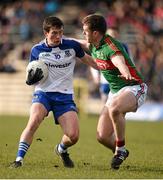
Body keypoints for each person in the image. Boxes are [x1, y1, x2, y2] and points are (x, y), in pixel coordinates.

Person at [10, 16, 98, 168]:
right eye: (54, 33)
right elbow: (31, 74)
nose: (58, 37)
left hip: (64, 97)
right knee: (33, 121)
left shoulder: (72, 46)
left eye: (60, 33)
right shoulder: (37, 50)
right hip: (43, 93)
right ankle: (18, 160)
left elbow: (90, 61)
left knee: (74, 136)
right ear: (46, 33)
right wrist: (31, 79)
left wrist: (110, 69)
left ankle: (61, 149)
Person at [76, 14, 148, 170]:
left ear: (95, 33)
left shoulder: (110, 46)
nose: (83, 34)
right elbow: (81, 44)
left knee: (115, 108)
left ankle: (120, 149)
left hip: (134, 87)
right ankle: (120, 151)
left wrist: (125, 71)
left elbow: (118, 59)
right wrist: (63, 41)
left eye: (85, 31)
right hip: (115, 92)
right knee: (102, 136)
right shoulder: (95, 44)